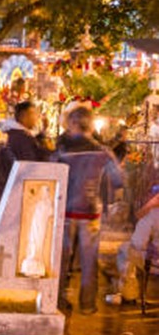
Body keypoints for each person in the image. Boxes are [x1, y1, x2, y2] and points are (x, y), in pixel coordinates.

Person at [53, 106, 124, 314]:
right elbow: (118, 180)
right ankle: (87, 304)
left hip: (65, 209)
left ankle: (56, 300)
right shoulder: (102, 151)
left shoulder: (62, 150)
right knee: (89, 260)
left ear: (73, 124)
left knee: (61, 260)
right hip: (91, 211)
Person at [113, 189, 159, 303]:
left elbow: (138, 243)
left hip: (155, 262)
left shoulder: (153, 214)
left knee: (125, 250)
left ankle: (129, 294)